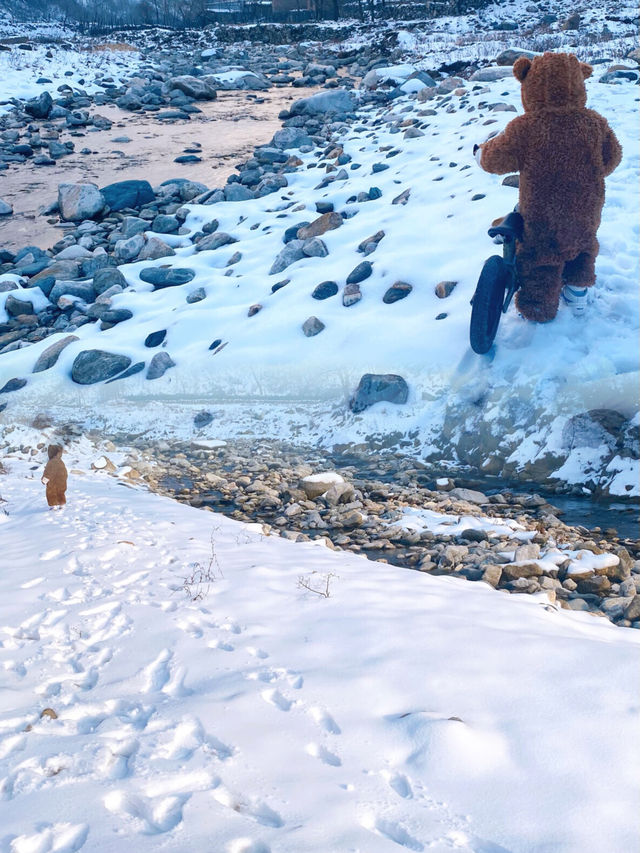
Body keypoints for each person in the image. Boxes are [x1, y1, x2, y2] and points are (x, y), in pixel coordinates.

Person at [474, 52, 622, 322]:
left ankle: (539, 306)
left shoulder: (526, 127)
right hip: (586, 210)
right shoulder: (595, 123)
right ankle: (577, 291)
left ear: (528, 80)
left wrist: (480, 155)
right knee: (583, 245)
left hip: (543, 214)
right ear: (580, 81)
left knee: (540, 255)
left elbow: (497, 158)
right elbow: (611, 158)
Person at [42, 444, 67, 509]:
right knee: (60, 492)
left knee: (51, 493)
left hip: (53, 482)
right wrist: (64, 479)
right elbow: (65, 471)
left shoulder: (51, 462)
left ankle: (54, 506)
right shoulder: (60, 461)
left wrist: (44, 479)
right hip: (61, 481)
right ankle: (62, 504)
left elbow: (49, 472)